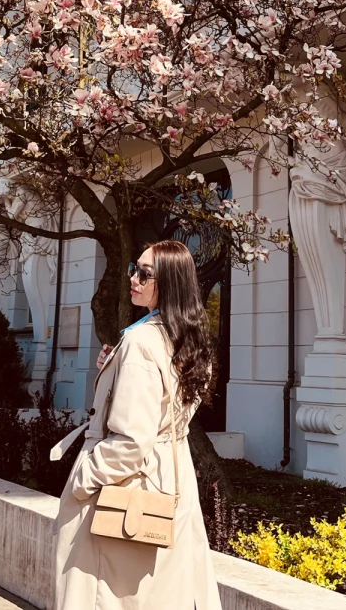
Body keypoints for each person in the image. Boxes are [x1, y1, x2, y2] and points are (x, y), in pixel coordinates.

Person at [52, 240, 222, 609]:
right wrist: (114, 373)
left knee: (107, 594)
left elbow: (131, 441)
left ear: (169, 284)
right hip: (172, 480)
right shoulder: (188, 338)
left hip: (130, 484)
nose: (134, 278)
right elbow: (171, 408)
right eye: (134, 267)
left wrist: (83, 479)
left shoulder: (142, 341)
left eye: (145, 274)